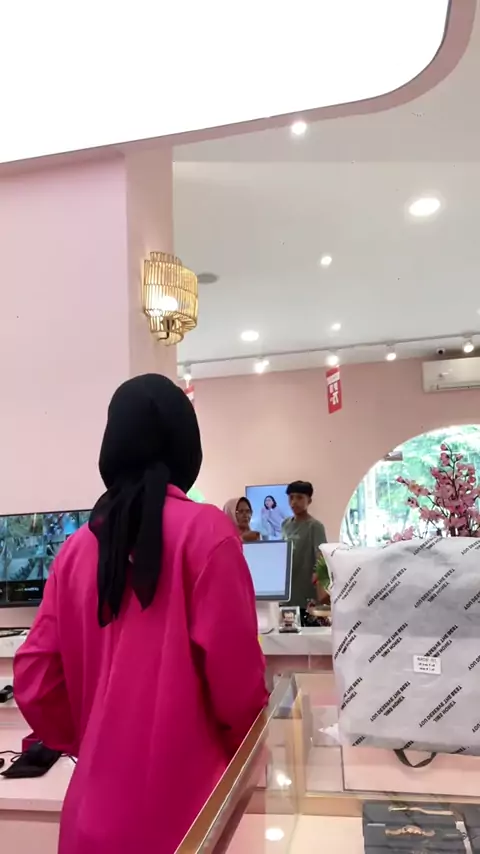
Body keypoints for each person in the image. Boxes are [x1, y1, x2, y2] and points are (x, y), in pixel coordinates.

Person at [14, 374, 268, 854]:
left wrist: (92, 740)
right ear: (187, 445)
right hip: (188, 823)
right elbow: (239, 691)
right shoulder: (208, 534)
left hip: (88, 821)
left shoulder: (75, 549)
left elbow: (34, 677)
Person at [281, 480, 327, 624]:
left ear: (309, 500)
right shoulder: (285, 524)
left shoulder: (315, 527)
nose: (294, 502)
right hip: (287, 594)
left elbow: (321, 559)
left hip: (307, 595)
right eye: (291, 497)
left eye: (300, 497)